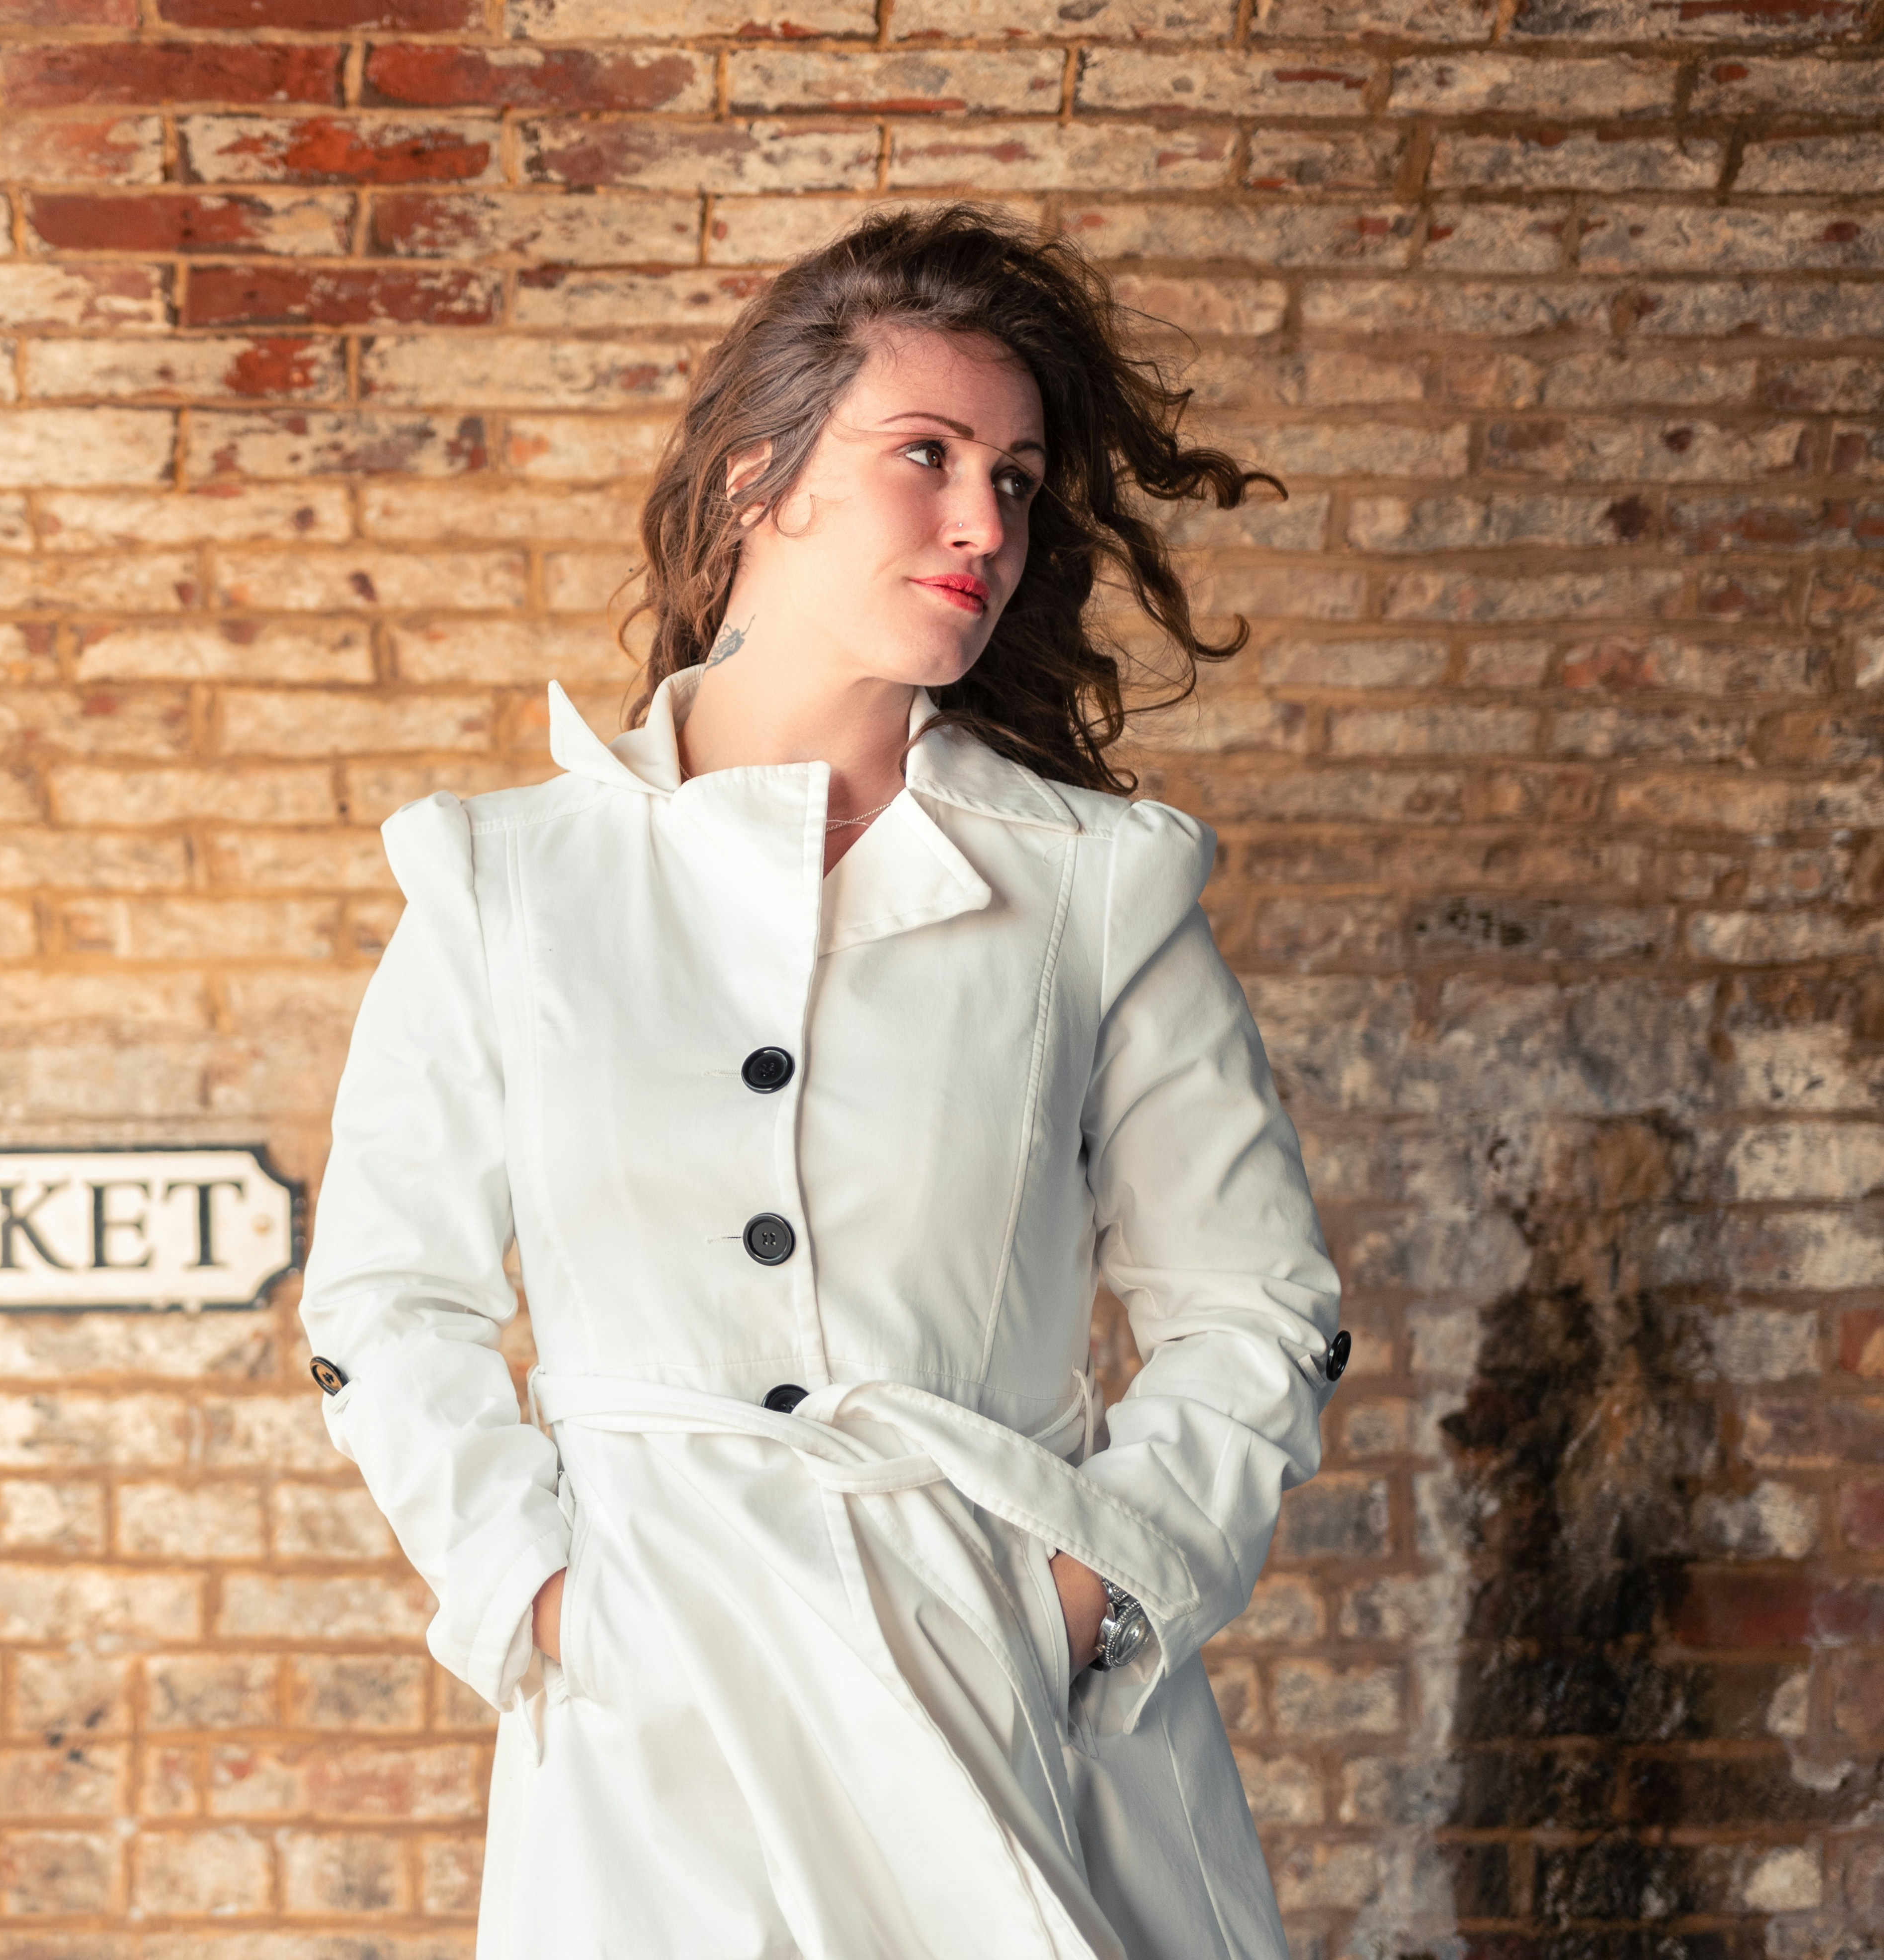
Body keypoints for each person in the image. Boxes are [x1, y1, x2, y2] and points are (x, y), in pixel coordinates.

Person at [296, 203, 1349, 1958]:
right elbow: (387, 1298)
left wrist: (1088, 1590)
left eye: (1015, 479)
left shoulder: (1096, 885)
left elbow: (1258, 1307)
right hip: (659, 1694)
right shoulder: (508, 880)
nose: (980, 523)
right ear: (754, 477)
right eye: (921, 455)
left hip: (998, 1674)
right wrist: (546, 1599)